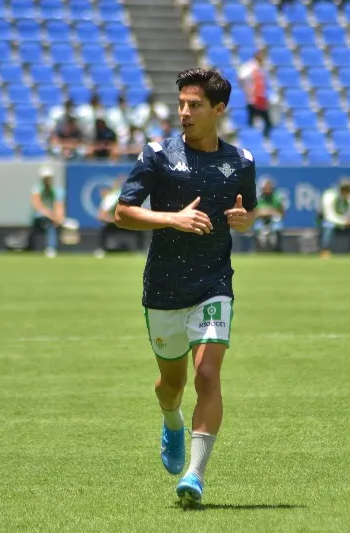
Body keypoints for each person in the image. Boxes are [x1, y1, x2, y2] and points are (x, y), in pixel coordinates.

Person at [114, 68, 257, 508]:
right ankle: (171, 420)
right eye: (181, 104)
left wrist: (247, 221)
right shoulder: (157, 154)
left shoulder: (242, 161)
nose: (184, 112)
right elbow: (122, 212)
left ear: (219, 109)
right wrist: (172, 218)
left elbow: (248, 213)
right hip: (163, 289)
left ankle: (195, 475)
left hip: (214, 283)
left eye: (194, 105)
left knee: (208, 374)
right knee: (170, 386)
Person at [27, 166, 65, 258]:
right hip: (39, 215)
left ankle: (51, 248)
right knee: (49, 223)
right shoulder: (36, 189)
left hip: (51, 215)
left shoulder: (57, 190)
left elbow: (59, 206)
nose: (47, 180)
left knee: (51, 225)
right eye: (45, 178)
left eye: (49, 178)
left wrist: (59, 218)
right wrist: (52, 217)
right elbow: (37, 206)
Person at [319, 177, 350, 259]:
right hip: (329, 221)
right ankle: (325, 250)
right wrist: (344, 222)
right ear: (343, 189)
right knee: (328, 225)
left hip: (343, 222)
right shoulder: (329, 195)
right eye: (349, 190)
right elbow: (329, 216)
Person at [238, 49, 272, 136]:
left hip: (261, 97)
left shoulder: (263, 68)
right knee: (252, 121)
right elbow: (241, 77)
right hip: (252, 98)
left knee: (267, 122)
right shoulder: (249, 67)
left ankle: (263, 138)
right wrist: (247, 89)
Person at [253, 178, 285, 252]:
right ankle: (258, 250)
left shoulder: (276, 198)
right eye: (265, 187)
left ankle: (277, 250)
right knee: (257, 227)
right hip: (261, 221)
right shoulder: (258, 199)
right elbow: (255, 212)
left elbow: (281, 213)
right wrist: (267, 211)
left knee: (278, 227)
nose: (267, 189)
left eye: (269, 187)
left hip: (273, 221)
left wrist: (268, 211)